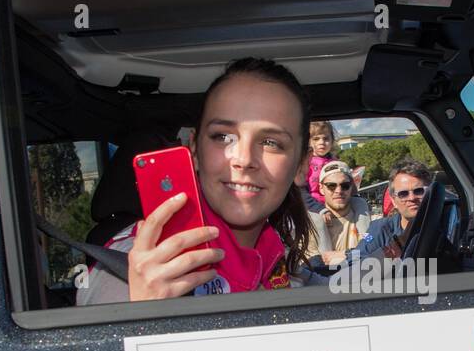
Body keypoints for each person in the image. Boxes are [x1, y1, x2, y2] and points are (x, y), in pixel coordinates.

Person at [78, 57, 316, 304]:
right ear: (194, 150)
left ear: (301, 165)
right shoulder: (134, 268)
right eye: (222, 136)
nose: (244, 159)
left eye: (270, 142)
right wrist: (141, 313)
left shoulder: (277, 257)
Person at [345, 158, 433, 262]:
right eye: (403, 194)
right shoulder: (380, 228)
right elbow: (354, 259)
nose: (412, 198)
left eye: (419, 191)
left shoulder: (448, 223)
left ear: (430, 193)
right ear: (393, 200)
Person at [308, 161, 371, 266]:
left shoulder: (363, 217)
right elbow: (313, 265)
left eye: (345, 185)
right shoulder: (312, 227)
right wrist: (356, 255)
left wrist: (346, 255)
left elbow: (373, 249)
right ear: (321, 188)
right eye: (331, 186)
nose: (339, 190)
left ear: (351, 187)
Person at [306, 120, 338, 206]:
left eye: (326, 138)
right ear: (308, 141)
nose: (321, 142)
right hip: (312, 204)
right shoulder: (305, 163)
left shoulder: (335, 162)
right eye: (316, 139)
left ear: (332, 141)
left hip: (334, 202)